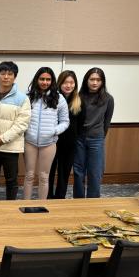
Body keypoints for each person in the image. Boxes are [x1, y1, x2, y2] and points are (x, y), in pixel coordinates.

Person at [0, 61, 31, 200]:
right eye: (3, 73)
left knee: (11, 180)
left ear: (14, 77)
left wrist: (2, 138)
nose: (6, 77)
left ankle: (10, 208)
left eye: (10, 74)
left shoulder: (22, 98)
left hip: (10, 146)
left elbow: (22, 123)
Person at [23, 67, 69, 200]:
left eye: (48, 79)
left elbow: (65, 122)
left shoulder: (59, 98)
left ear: (52, 81)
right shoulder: (28, 97)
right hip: (29, 142)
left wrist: (54, 131)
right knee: (29, 175)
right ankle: (26, 205)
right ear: (37, 79)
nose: (44, 82)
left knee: (44, 176)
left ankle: (42, 205)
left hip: (49, 143)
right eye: (42, 79)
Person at [73, 67, 114, 198]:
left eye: (98, 80)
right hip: (79, 139)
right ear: (86, 80)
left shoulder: (108, 99)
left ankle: (93, 202)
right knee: (78, 171)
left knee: (95, 173)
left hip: (96, 139)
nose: (95, 82)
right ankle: (78, 200)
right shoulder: (79, 97)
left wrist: (99, 136)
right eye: (92, 79)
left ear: (102, 82)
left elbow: (107, 122)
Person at [48, 70, 83, 199]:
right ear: (59, 83)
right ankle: (48, 196)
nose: (68, 85)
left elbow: (80, 124)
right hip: (52, 142)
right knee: (49, 172)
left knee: (64, 173)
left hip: (70, 144)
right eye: (65, 82)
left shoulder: (79, 101)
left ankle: (60, 197)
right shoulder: (52, 98)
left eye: (71, 82)